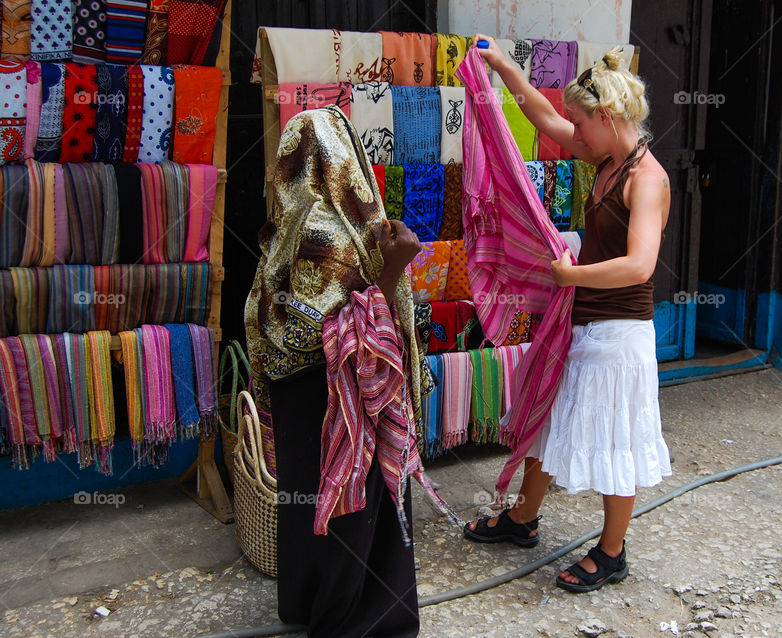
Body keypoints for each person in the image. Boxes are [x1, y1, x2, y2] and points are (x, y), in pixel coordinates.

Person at [463, 36, 673, 593]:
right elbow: (545, 118)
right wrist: (505, 68)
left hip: (618, 333)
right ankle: (523, 520)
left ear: (607, 116)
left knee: (614, 442)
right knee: (545, 419)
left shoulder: (646, 179)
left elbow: (640, 265)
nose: (572, 133)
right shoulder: (606, 158)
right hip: (579, 322)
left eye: (582, 123)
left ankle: (611, 552)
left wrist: (571, 275)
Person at [246, 107, 444, 636]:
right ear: (343, 157)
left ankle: (305, 603)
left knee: (308, 504)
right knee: (351, 507)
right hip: (341, 396)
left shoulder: (283, 226)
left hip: (299, 397)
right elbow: (334, 330)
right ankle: (354, 618)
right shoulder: (326, 232)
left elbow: (273, 317)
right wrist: (397, 265)